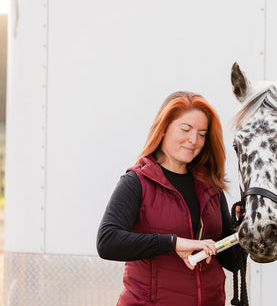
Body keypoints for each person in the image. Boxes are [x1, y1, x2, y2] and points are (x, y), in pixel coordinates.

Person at [97, 91, 236, 306]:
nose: (194, 140)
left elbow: (233, 261)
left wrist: (246, 230)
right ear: (163, 129)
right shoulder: (137, 182)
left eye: (202, 133)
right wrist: (172, 243)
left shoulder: (211, 186)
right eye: (186, 129)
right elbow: (107, 241)